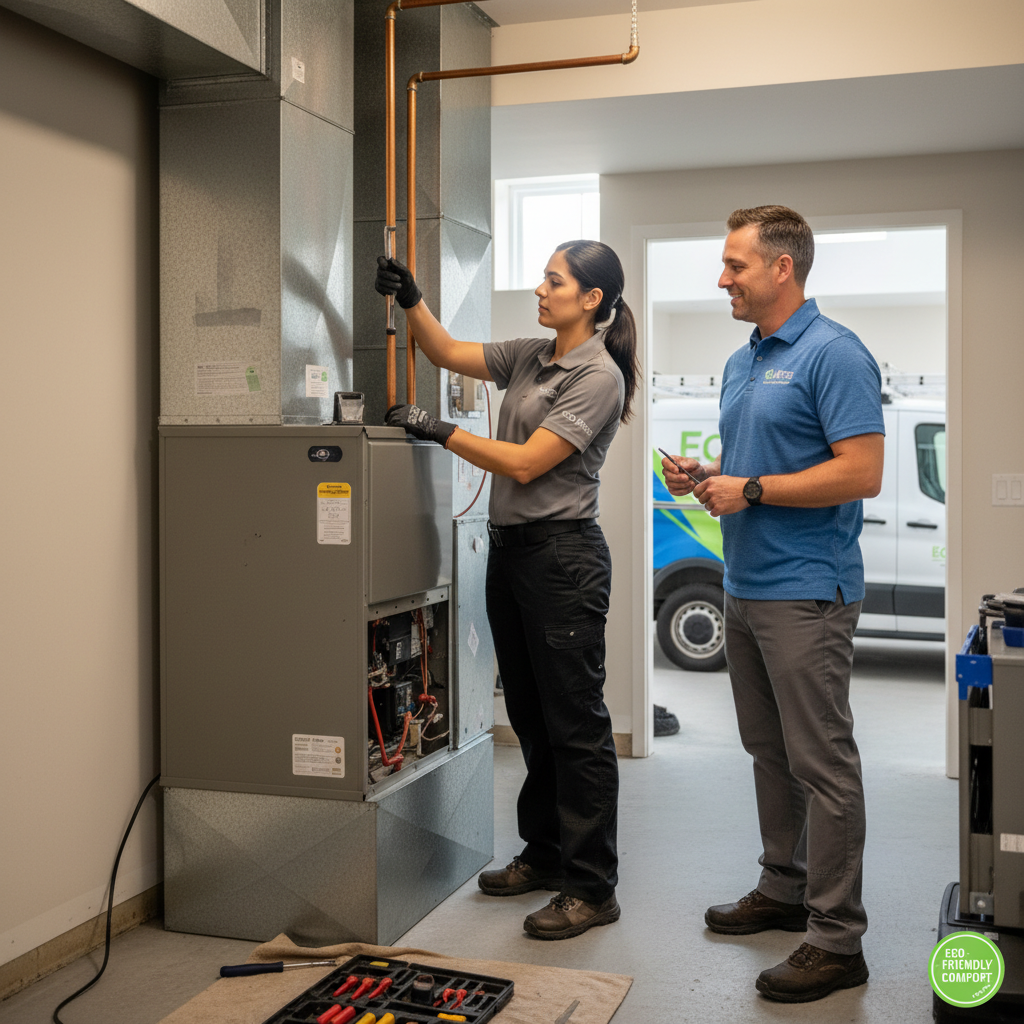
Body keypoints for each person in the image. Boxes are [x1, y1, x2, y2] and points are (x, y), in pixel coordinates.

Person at [375, 239, 639, 940]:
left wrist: (439, 429)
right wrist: (411, 297)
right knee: (530, 715)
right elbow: (447, 351)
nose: (539, 289)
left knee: (576, 727)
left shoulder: (597, 376)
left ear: (591, 299)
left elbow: (525, 463)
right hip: (513, 556)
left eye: (554, 281)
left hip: (563, 561)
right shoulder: (531, 353)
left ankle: (592, 887)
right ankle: (547, 854)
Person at [662, 206, 884, 1002]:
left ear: (781, 268)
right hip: (744, 586)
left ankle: (837, 938)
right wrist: (709, 476)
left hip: (806, 591)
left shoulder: (835, 354)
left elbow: (861, 472)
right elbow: (763, 465)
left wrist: (750, 487)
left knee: (823, 766)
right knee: (770, 754)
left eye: (735, 265)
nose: (723, 278)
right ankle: (783, 888)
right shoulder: (741, 361)